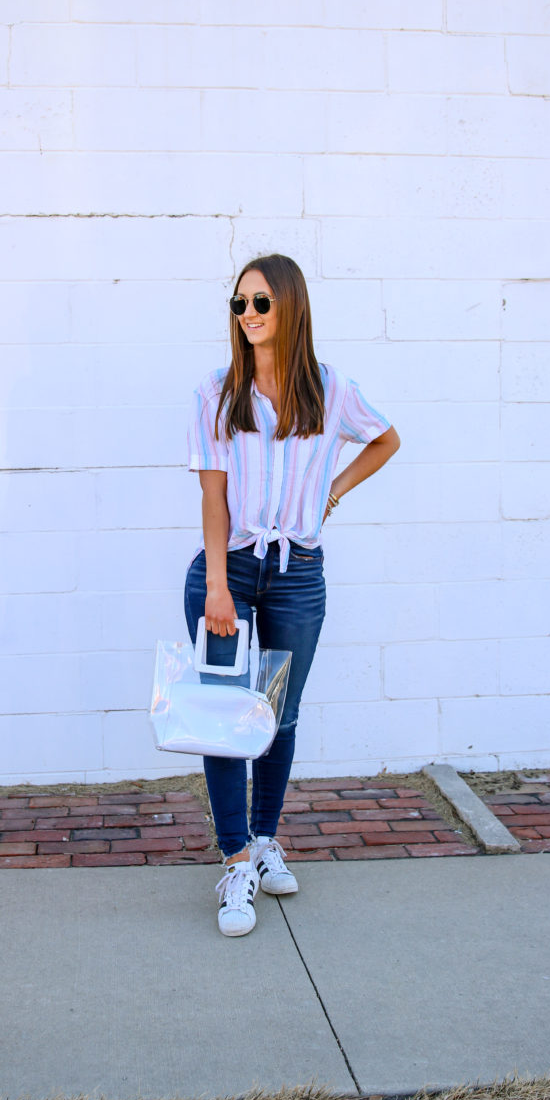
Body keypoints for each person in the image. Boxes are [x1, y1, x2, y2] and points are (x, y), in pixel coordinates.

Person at [184, 254, 400, 937]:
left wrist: (332, 493)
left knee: (277, 711)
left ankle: (266, 837)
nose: (247, 315)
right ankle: (236, 859)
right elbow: (213, 496)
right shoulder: (217, 392)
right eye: (238, 304)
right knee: (225, 716)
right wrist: (218, 585)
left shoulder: (329, 390)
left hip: (298, 571)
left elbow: (386, 440)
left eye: (259, 304)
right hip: (231, 569)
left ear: (289, 308)